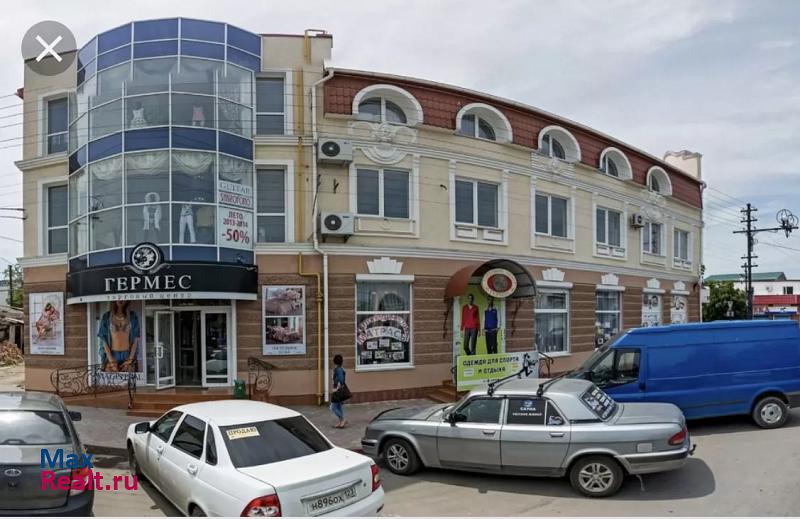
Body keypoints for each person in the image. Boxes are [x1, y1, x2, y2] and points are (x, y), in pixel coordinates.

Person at [97, 301, 140, 373]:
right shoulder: (107, 316)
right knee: (111, 378)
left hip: (127, 354)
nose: (121, 300)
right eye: (118, 297)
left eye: (123, 298)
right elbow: (103, 340)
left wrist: (130, 359)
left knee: (129, 378)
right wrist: (111, 360)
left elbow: (135, 339)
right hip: (112, 354)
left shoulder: (132, 316)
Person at [331, 354, 347, 428]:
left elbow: (341, 379)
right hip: (339, 390)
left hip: (338, 390)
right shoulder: (340, 368)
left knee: (333, 407)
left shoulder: (338, 369)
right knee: (339, 406)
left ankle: (343, 419)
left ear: (335, 361)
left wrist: (336, 384)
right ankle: (341, 421)